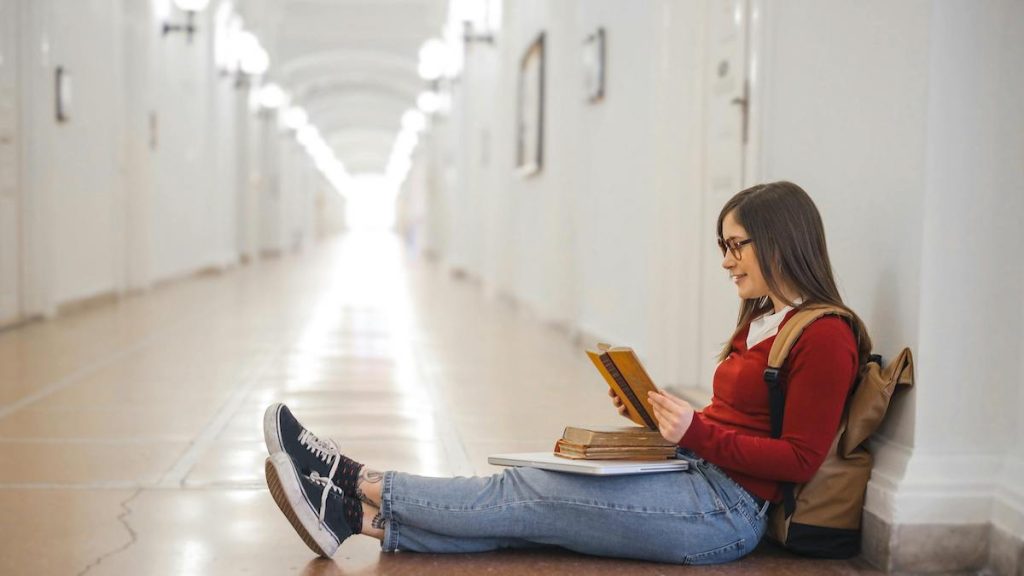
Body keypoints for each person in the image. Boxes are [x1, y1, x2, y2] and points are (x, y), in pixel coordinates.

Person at [261, 181, 870, 565]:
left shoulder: (825, 335)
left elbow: (798, 460)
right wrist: (652, 413)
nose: (727, 261)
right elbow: (737, 421)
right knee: (531, 502)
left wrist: (696, 433)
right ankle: (352, 519)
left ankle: (351, 477)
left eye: (736, 245)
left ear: (780, 241)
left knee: (524, 496)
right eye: (723, 246)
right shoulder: (764, 320)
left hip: (724, 514)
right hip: (698, 475)